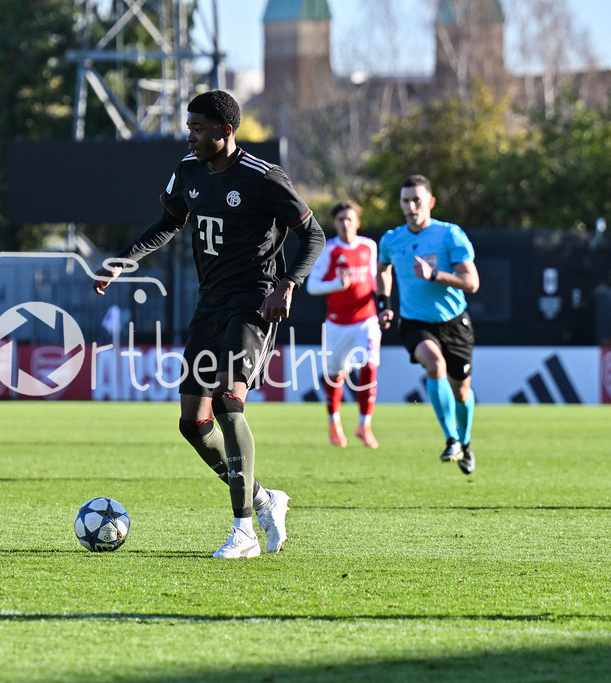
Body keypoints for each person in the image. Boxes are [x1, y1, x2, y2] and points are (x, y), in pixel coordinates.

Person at [92, 90, 325, 558]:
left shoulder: (264, 178)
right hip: (210, 303)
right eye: (189, 126)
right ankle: (263, 499)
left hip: (254, 302)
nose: (190, 135)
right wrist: (125, 260)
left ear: (226, 130)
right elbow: (167, 222)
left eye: (198, 128)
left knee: (227, 401)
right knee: (192, 423)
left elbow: (313, 234)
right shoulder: (188, 172)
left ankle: (243, 532)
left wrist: (289, 284)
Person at [377, 175, 479, 474]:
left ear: (430, 203)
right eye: (405, 200)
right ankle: (450, 438)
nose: (410, 206)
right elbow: (383, 268)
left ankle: (465, 441)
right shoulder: (391, 239)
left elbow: (471, 282)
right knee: (434, 364)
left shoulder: (450, 235)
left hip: (454, 323)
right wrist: (384, 304)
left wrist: (434, 275)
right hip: (415, 322)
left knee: (461, 392)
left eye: (416, 200)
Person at [306, 201, 381, 449]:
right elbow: (312, 286)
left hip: (365, 320)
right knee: (335, 375)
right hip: (337, 324)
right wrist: (337, 286)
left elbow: (373, 280)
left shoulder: (369, 246)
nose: (345, 223)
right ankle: (333, 422)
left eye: (349, 219)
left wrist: (382, 304)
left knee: (370, 366)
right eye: (340, 219)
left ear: (358, 222)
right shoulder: (329, 250)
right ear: (335, 223)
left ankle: (364, 424)